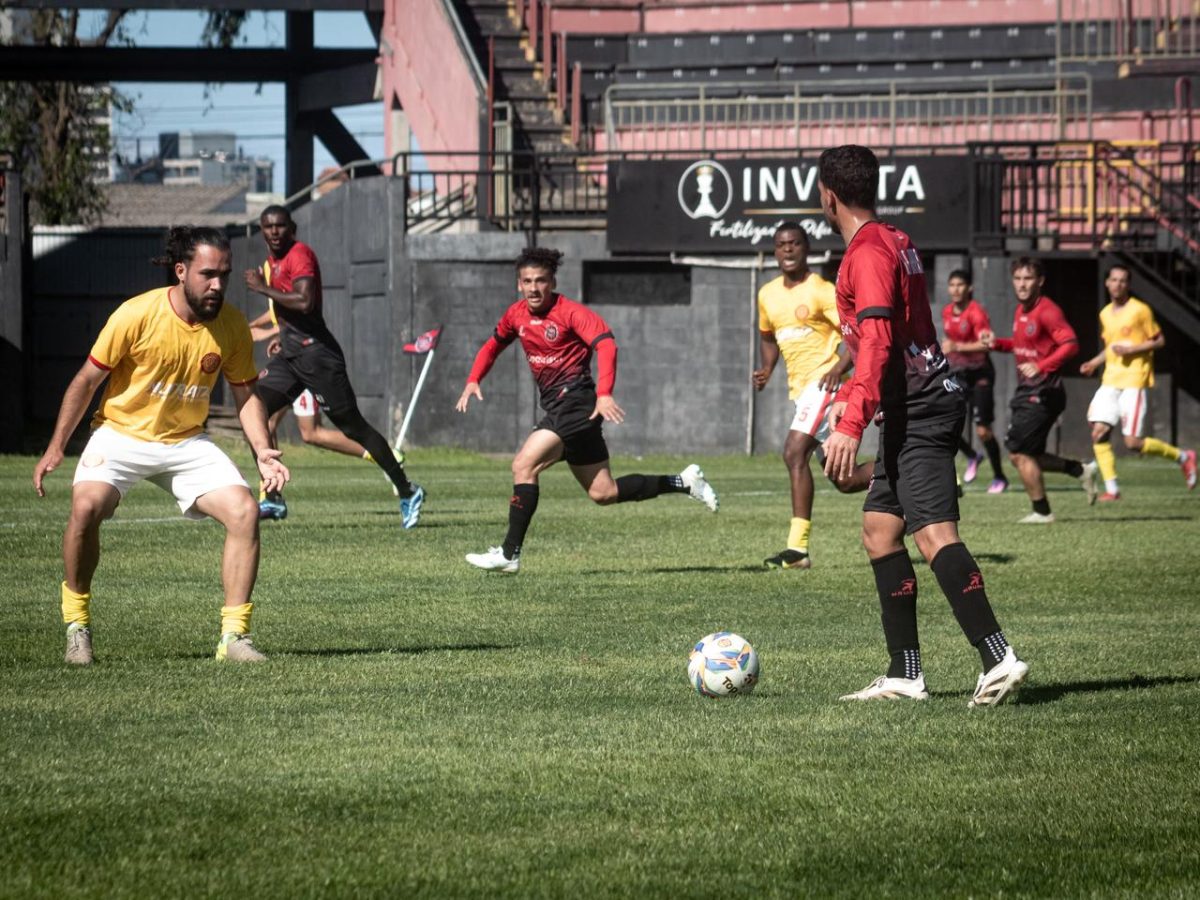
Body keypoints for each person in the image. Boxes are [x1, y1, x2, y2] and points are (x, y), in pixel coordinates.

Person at [817, 145, 1027, 707]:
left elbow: (881, 340)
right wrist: (852, 397)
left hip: (920, 408)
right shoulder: (893, 239)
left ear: (827, 196)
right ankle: (906, 673)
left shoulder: (865, 253)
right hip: (907, 406)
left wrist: (851, 420)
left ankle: (998, 656)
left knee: (934, 535)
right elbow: (884, 339)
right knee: (880, 532)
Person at [32, 226, 290, 666]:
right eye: (208, 274)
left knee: (245, 511)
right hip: (121, 434)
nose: (218, 285)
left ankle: (234, 639)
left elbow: (247, 396)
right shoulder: (135, 315)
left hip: (187, 442)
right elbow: (87, 381)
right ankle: (77, 626)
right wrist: (56, 446)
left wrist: (262, 449)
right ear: (180, 270)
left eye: (224, 275)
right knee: (85, 508)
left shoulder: (229, 324)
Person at [455, 246, 719, 574]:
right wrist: (473, 379)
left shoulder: (571, 312)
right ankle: (684, 481)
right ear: (519, 285)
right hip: (563, 408)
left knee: (523, 465)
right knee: (603, 492)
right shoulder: (516, 315)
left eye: (541, 281)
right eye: (527, 281)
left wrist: (604, 393)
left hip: (576, 403)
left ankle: (509, 554)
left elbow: (607, 344)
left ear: (552, 282)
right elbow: (493, 345)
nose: (534, 288)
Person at [244, 205, 424, 527]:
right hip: (290, 356)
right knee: (252, 408)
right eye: (267, 226)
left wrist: (263, 288)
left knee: (353, 427)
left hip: (318, 357)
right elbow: (289, 313)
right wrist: (283, 336)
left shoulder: (300, 255)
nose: (273, 232)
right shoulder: (271, 262)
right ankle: (272, 497)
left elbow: (304, 301)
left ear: (292, 228)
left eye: (280, 226)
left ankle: (407, 489)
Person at [752, 222, 871, 570]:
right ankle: (914, 473)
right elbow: (767, 335)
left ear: (806, 248)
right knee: (845, 480)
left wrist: (838, 367)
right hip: (801, 392)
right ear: (774, 251)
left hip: (825, 387)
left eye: (794, 244)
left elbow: (857, 334)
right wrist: (767, 368)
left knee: (793, 452)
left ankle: (797, 549)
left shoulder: (822, 290)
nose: (787, 250)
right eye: (780, 245)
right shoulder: (767, 294)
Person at [983, 258, 1098, 523]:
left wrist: (1042, 366)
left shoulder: (1047, 311)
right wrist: (997, 344)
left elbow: (1070, 344)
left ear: (1040, 281)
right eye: (1018, 279)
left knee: (1018, 452)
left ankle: (1042, 511)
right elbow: (1021, 344)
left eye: (1028, 278)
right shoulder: (1021, 310)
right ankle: (1079, 469)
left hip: (1044, 390)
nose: (1022, 284)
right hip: (1029, 389)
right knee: (1027, 454)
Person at [248, 310, 403, 503]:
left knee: (310, 432)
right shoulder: (272, 287)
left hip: (307, 363)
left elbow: (298, 306)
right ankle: (271, 497)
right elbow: (277, 311)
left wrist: (268, 331)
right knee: (265, 419)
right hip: (290, 356)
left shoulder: (283, 284)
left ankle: (382, 455)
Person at [1079, 264, 1196, 499]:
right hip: (1111, 378)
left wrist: (1134, 349)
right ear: (1107, 283)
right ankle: (1112, 489)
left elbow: (1159, 340)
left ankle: (1183, 457)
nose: (1117, 284)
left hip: (1134, 378)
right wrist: (1093, 362)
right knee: (1098, 432)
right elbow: (1111, 347)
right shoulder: (1104, 313)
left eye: (1122, 281)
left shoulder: (1140, 310)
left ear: (1128, 285)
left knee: (1132, 442)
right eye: (1114, 280)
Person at [940, 268, 1008, 493]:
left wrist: (957, 347)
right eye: (952, 285)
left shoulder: (976, 312)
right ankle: (972, 456)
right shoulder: (947, 312)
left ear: (969, 288)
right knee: (946, 424)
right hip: (958, 375)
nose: (955, 289)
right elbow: (949, 341)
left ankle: (999, 477)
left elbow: (986, 343)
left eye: (960, 285)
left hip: (980, 374)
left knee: (982, 431)